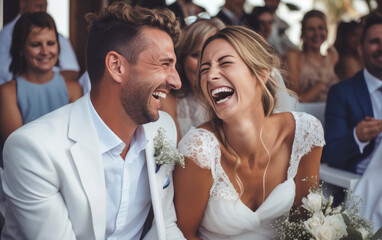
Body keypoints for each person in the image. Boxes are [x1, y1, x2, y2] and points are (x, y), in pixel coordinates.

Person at [1, 3, 185, 240]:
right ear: (117, 67)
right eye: (164, 64)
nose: (177, 81)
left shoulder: (163, 128)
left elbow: (165, 227)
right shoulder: (33, 150)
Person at [174, 25, 324, 239]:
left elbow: (305, 225)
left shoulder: (304, 134)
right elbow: (183, 233)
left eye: (224, 63)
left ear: (261, 74)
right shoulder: (199, 150)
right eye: (204, 69)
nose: (210, 75)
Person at [0, 12, 82, 142]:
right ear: (21, 48)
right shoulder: (8, 92)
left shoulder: (73, 89)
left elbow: (77, 139)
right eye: (36, 44)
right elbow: (17, 147)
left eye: (50, 43)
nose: (45, 52)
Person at [324, 14, 382, 175]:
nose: (381, 47)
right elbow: (331, 154)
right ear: (360, 49)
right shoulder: (341, 93)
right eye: (374, 42)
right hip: (367, 181)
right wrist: (357, 136)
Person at [160, 18, 225, 141]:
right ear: (182, 58)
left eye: (217, 57)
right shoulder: (168, 98)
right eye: (196, 55)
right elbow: (174, 156)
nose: (204, 66)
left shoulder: (234, 97)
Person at [0, 0, 80, 84]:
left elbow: (72, 70)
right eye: (39, 6)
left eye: (51, 43)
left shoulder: (59, 37)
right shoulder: (5, 35)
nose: (45, 52)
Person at [286, 10, 339, 103]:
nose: (317, 33)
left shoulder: (332, 57)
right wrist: (323, 82)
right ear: (303, 33)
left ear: (326, 31)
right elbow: (296, 100)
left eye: (320, 28)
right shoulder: (294, 56)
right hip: (307, 114)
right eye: (311, 29)